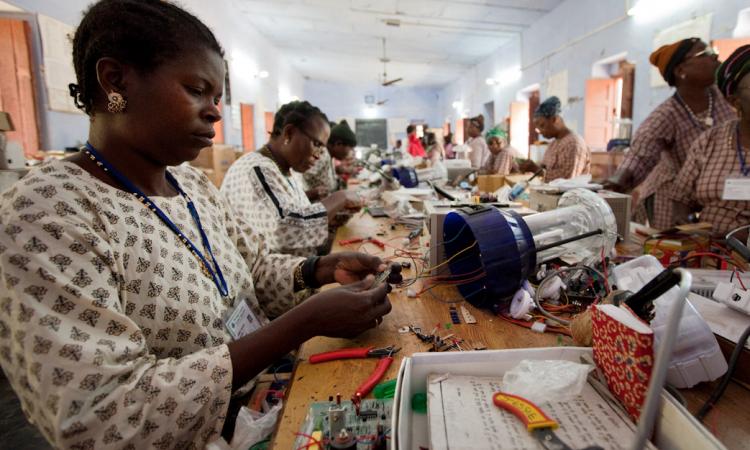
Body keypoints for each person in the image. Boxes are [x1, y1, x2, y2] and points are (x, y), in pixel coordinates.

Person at [0, 1, 399, 447]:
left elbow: (246, 273)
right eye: (197, 90)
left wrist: (319, 270)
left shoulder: (191, 185)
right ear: (115, 80)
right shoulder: (50, 209)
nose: (214, 112)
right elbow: (100, 417)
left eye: (218, 99)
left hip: (260, 401)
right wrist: (299, 324)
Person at [605, 38, 734, 229]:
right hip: (670, 195)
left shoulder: (726, 97)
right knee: (672, 247)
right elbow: (639, 155)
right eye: (704, 53)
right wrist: (615, 184)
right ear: (681, 71)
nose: (714, 55)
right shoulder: (666, 115)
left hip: (713, 189)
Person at [221, 101, 362, 257]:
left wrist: (330, 219)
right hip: (266, 277)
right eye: (316, 144)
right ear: (288, 133)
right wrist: (340, 197)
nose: (320, 154)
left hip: (296, 266)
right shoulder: (256, 169)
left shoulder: (284, 169)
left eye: (323, 147)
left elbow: (295, 212)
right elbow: (283, 229)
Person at [669, 45, 750, 236]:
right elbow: (681, 198)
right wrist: (686, 224)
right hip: (708, 251)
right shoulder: (710, 141)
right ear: (735, 102)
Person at [519, 96, 590, 182]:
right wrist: (530, 166)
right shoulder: (553, 144)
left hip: (569, 195)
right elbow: (545, 168)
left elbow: (568, 180)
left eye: (542, 125)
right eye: (538, 128)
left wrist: (536, 170)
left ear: (554, 119)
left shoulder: (573, 143)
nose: (540, 131)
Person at [301, 120, 356, 202]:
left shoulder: (329, 155)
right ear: (338, 144)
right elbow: (303, 177)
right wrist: (311, 194)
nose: (350, 152)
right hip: (315, 206)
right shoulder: (322, 154)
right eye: (350, 148)